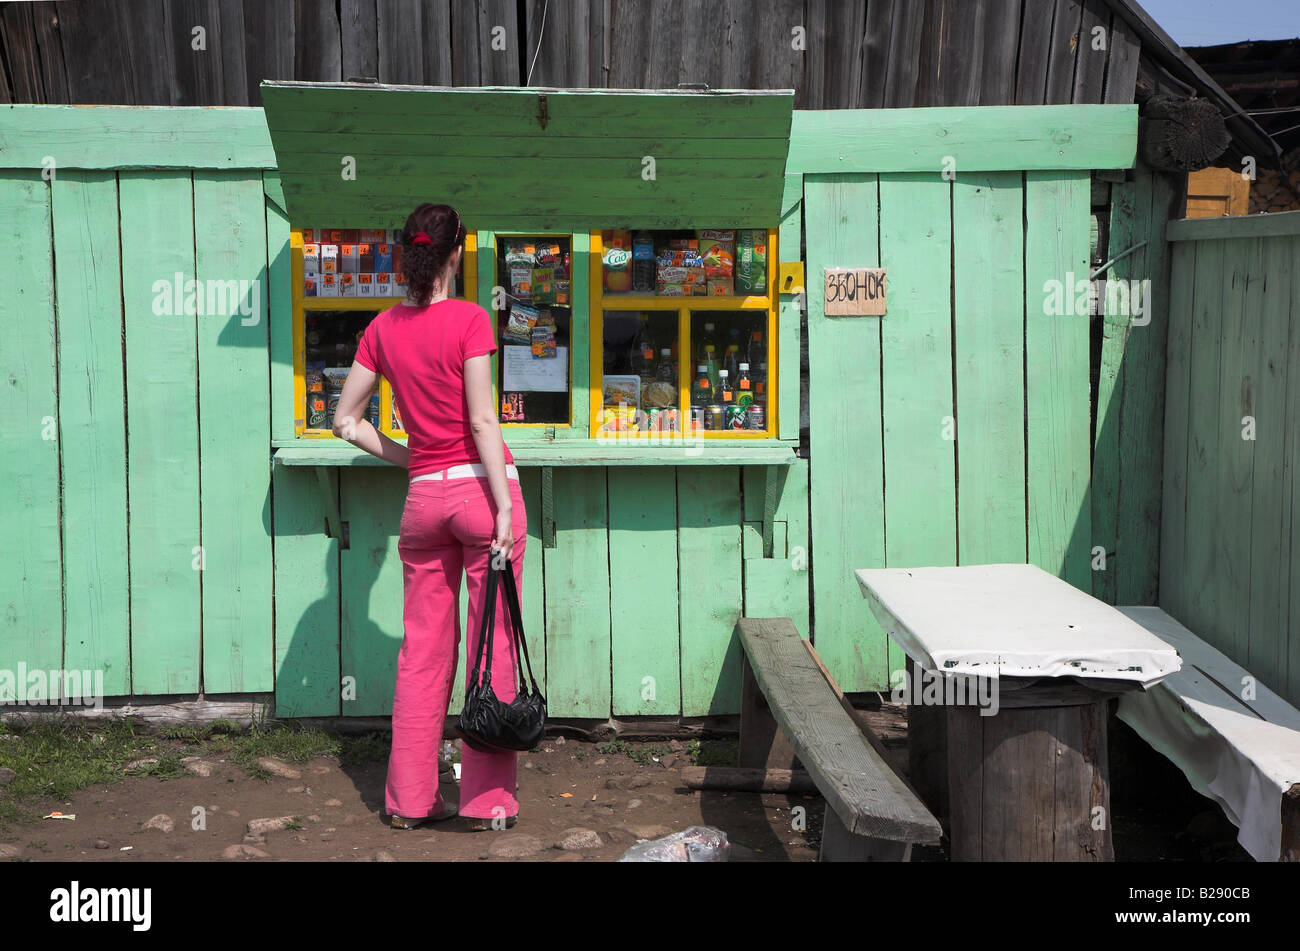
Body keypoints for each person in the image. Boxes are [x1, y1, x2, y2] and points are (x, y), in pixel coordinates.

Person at [332, 202, 526, 832]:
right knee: (490, 645)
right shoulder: (469, 319)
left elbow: (345, 422)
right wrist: (500, 504)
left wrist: (411, 456)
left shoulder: (382, 328)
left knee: (421, 654)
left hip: (424, 503)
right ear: (456, 253)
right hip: (479, 493)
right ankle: (487, 803)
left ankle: (409, 802)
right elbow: (480, 421)